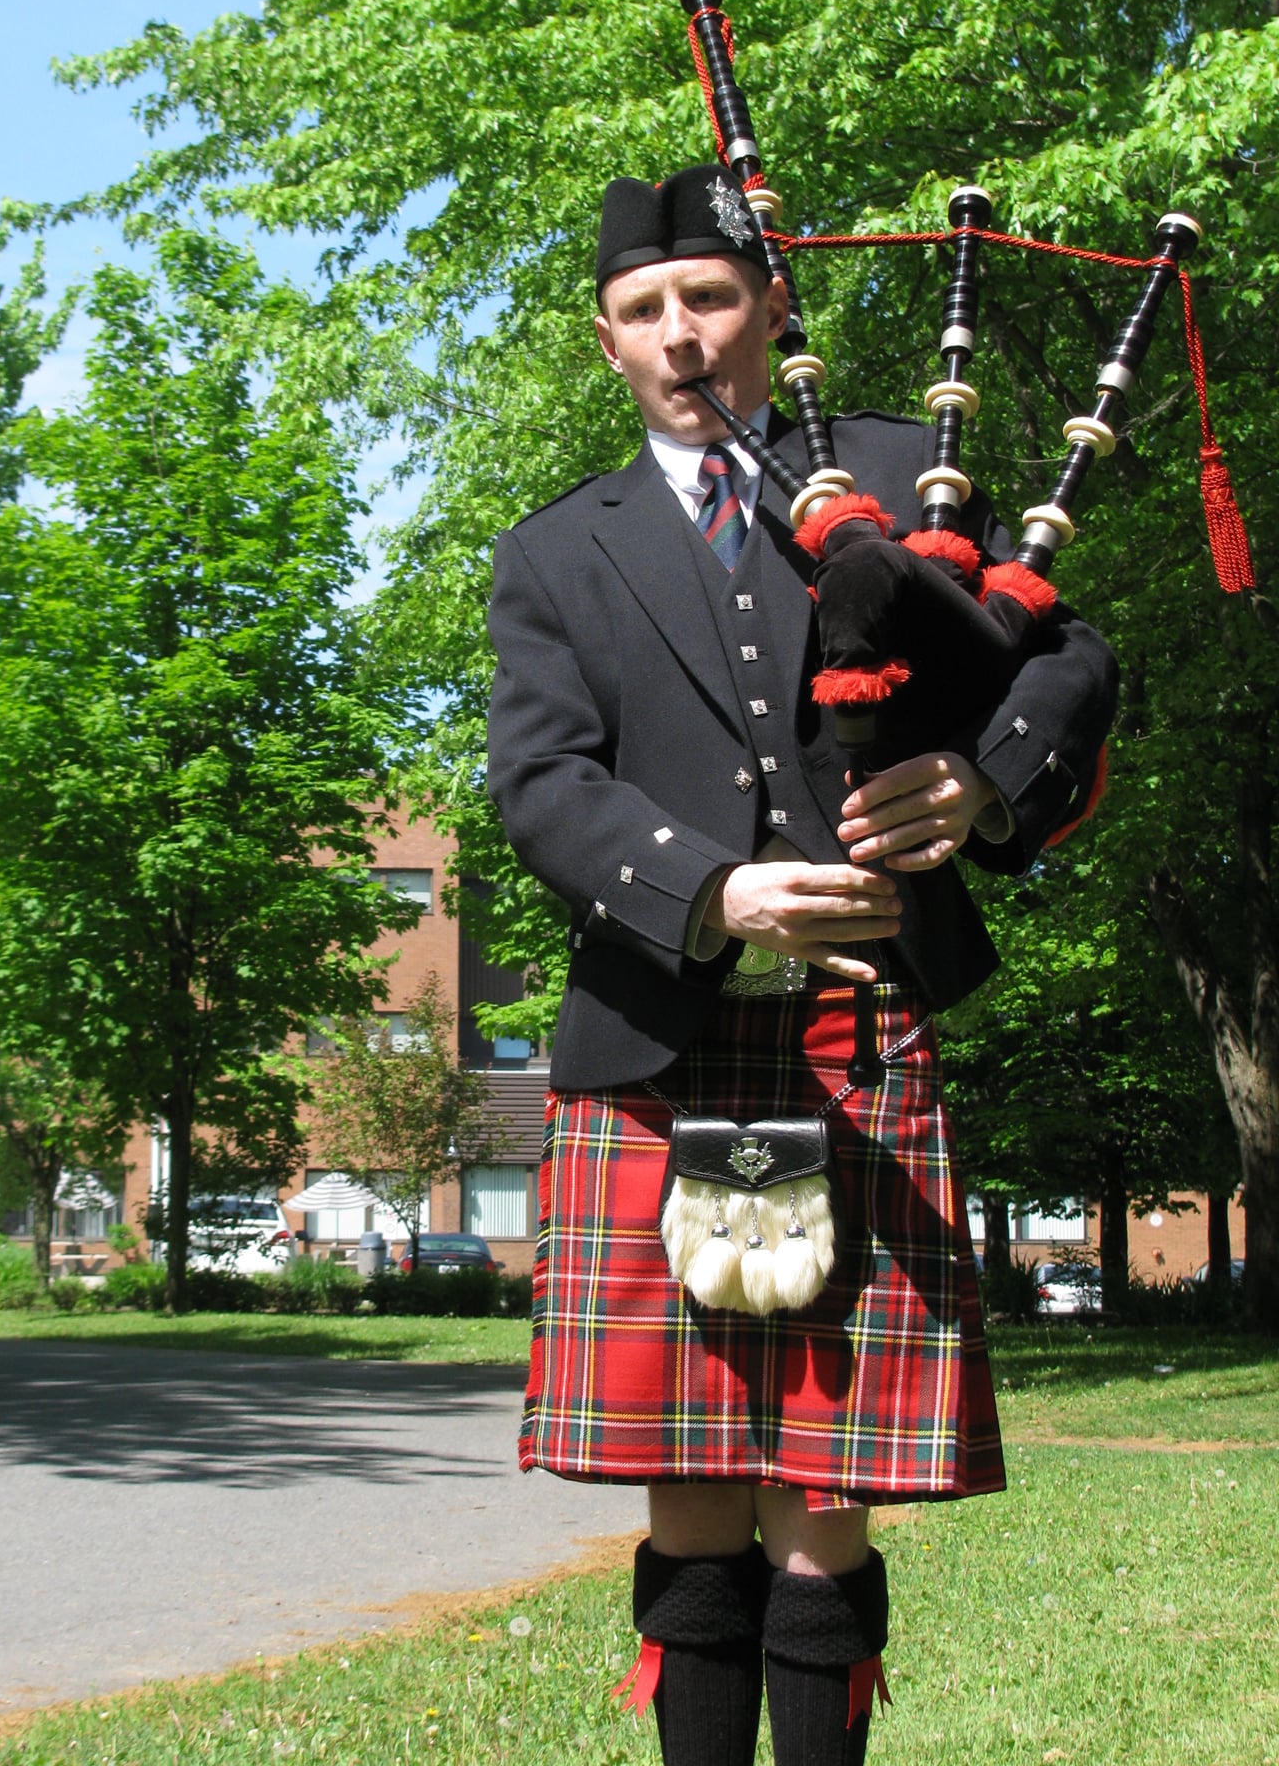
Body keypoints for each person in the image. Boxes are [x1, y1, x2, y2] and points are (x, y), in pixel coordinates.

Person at [485, 163, 1117, 1766]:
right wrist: (712, 890)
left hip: (864, 1033)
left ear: (768, 303)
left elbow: (1072, 656)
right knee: (692, 1499)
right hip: (657, 1031)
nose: (682, 334)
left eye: (709, 297)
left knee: (825, 1497)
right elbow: (541, 785)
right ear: (607, 340)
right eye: (644, 311)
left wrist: (983, 784)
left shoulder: (914, 481)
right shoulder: (557, 552)